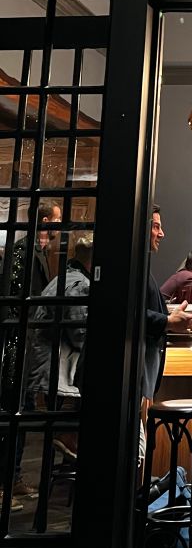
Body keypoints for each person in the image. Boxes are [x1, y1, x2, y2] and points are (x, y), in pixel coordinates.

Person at [0, 201, 63, 507]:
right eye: (58, 220)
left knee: (21, 412)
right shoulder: (24, 251)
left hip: (26, 341)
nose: (60, 226)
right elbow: (13, 298)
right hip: (18, 343)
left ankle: (12, 479)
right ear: (46, 222)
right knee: (12, 411)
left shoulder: (36, 251)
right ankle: (4, 485)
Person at [26, 237, 94, 460]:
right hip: (58, 371)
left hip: (46, 365)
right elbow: (81, 335)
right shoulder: (80, 285)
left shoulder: (62, 278)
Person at [142, 207, 192, 461]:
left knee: (136, 445)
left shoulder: (139, 264)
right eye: (156, 226)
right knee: (134, 447)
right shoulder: (132, 265)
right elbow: (126, 313)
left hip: (141, 374)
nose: (162, 233)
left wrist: (168, 317)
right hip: (134, 372)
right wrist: (167, 321)